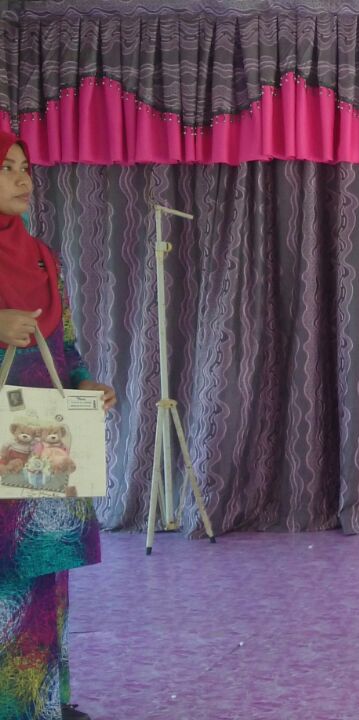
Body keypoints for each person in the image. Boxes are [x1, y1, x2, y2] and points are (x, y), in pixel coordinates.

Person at [0, 130, 118, 720]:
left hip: (38, 436)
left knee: (44, 570)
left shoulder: (44, 256)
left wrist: (86, 383)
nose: (23, 178)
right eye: (7, 167)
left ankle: (42, 702)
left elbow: (64, 345)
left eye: (26, 167)